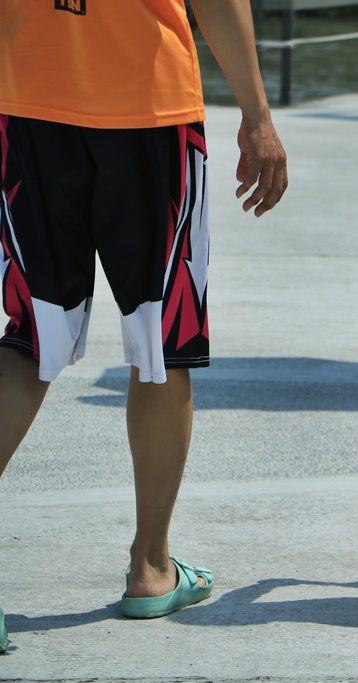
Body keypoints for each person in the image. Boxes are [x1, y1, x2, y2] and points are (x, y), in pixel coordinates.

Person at [0, 0, 287, 640]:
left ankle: (154, 563)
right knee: (162, 344)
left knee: (29, 340)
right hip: (147, 105)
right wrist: (258, 116)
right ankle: (152, 568)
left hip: (28, 99)